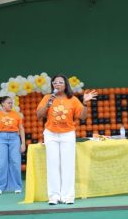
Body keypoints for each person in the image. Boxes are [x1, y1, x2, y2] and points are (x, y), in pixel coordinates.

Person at [36, 74, 97, 205]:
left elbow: (83, 117)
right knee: (53, 165)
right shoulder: (47, 98)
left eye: (60, 82)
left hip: (68, 134)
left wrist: (85, 103)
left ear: (65, 85)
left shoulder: (73, 99)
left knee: (67, 165)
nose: (57, 84)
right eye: (55, 82)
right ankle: (54, 196)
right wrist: (48, 103)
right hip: (51, 134)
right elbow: (39, 115)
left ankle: (68, 196)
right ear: (52, 85)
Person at [0, 96, 26, 195]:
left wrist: (23, 143)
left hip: (14, 138)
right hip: (0, 138)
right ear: (2, 104)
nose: (11, 104)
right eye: (9, 103)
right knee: (1, 163)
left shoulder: (16, 115)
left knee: (15, 162)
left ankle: (17, 186)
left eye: (12, 103)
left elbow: (21, 129)